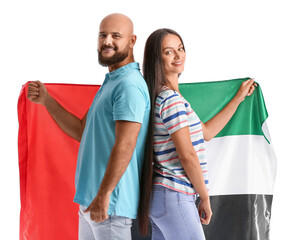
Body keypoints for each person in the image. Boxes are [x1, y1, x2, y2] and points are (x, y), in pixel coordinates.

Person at [27, 13, 150, 240]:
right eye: (102, 35)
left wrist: (104, 195)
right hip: (90, 202)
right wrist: (47, 101)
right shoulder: (112, 82)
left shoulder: (129, 85)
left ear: (132, 41)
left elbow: (126, 144)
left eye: (116, 36)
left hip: (110, 206)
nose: (107, 41)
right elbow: (82, 130)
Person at [138, 28, 256, 240]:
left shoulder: (167, 98)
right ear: (156, 59)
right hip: (174, 196)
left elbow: (207, 133)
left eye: (180, 49)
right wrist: (205, 197)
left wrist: (238, 98)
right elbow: (187, 155)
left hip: (161, 197)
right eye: (168, 51)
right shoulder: (171, 100)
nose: (178, 55)